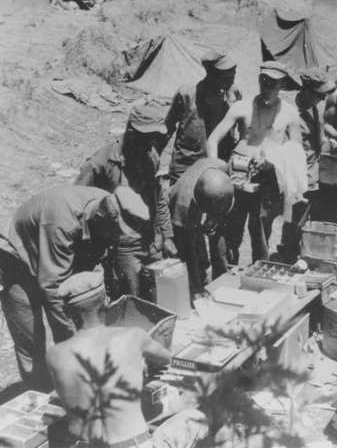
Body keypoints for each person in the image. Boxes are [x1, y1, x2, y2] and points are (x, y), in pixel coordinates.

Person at [0, 185, 149, 389]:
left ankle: (72, 383)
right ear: (102, 219)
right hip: (17, 257)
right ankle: (40, 392)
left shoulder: (109, 204)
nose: (116, 239)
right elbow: (53, 290)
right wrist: (76, 344)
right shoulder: (63, 222)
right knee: (31, 338)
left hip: (56, 253)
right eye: (115, 233)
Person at [46, 271, 206, 447]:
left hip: (86, 444)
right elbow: (171, 361)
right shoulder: (133, 336)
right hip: (133, 444)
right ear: (107, 301)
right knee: (196, 418)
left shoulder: (54, 355)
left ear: (67, 313)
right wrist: (196, 365)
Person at [207, 61, 304, 264]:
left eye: (274, 83)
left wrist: (273, 160)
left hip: (268, 176)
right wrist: (215, 168)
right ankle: (228, 271)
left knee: (260, 228)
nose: (268, 87)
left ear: (282, 85)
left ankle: (258, 271)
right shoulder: (241, 107)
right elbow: (213, 139)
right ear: (259, 80)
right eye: (265, 81)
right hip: (238, 174)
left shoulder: (289, 112)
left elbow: (296, 148)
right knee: (233, 224)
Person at [75, 105, 176, 299]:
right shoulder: (100, 163)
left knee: (160, 294)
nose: (150, 143)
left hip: (151, 240)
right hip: (122, 244)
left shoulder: (150, 156)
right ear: (130, 131)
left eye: (153, 137)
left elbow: (159, 196)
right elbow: (77, 205)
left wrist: (167, 235)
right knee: (131, 298)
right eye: (145, 137)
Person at [276, 68, 336, 262]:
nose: (323, 99)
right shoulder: (287, 110)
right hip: (295, 174)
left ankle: (300, 252)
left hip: (314, 171)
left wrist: (329, 143)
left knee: (306, 218)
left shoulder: (315, 108)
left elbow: (319, 138)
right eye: (320, 95)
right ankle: (288, 254)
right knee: (292, 217)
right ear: (308, 91)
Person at [165, 52, 242, 183]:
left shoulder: (233, 95)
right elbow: (168, 127)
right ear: (211, 74)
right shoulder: (187, 94)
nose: (231, 80)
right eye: (226, 77)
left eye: (233, 75)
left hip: (220, 163)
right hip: (186, 164)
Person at [169, 158, 235, 295]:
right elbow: (189, 253)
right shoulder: (183, 205)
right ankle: (196, 286)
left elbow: (222, 205)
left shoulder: (221, 167)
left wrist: (214, 220)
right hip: (182, 212)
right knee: (189, 250)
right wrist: (198, 290)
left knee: (214, 236)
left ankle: (219, 277)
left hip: (205, 195)